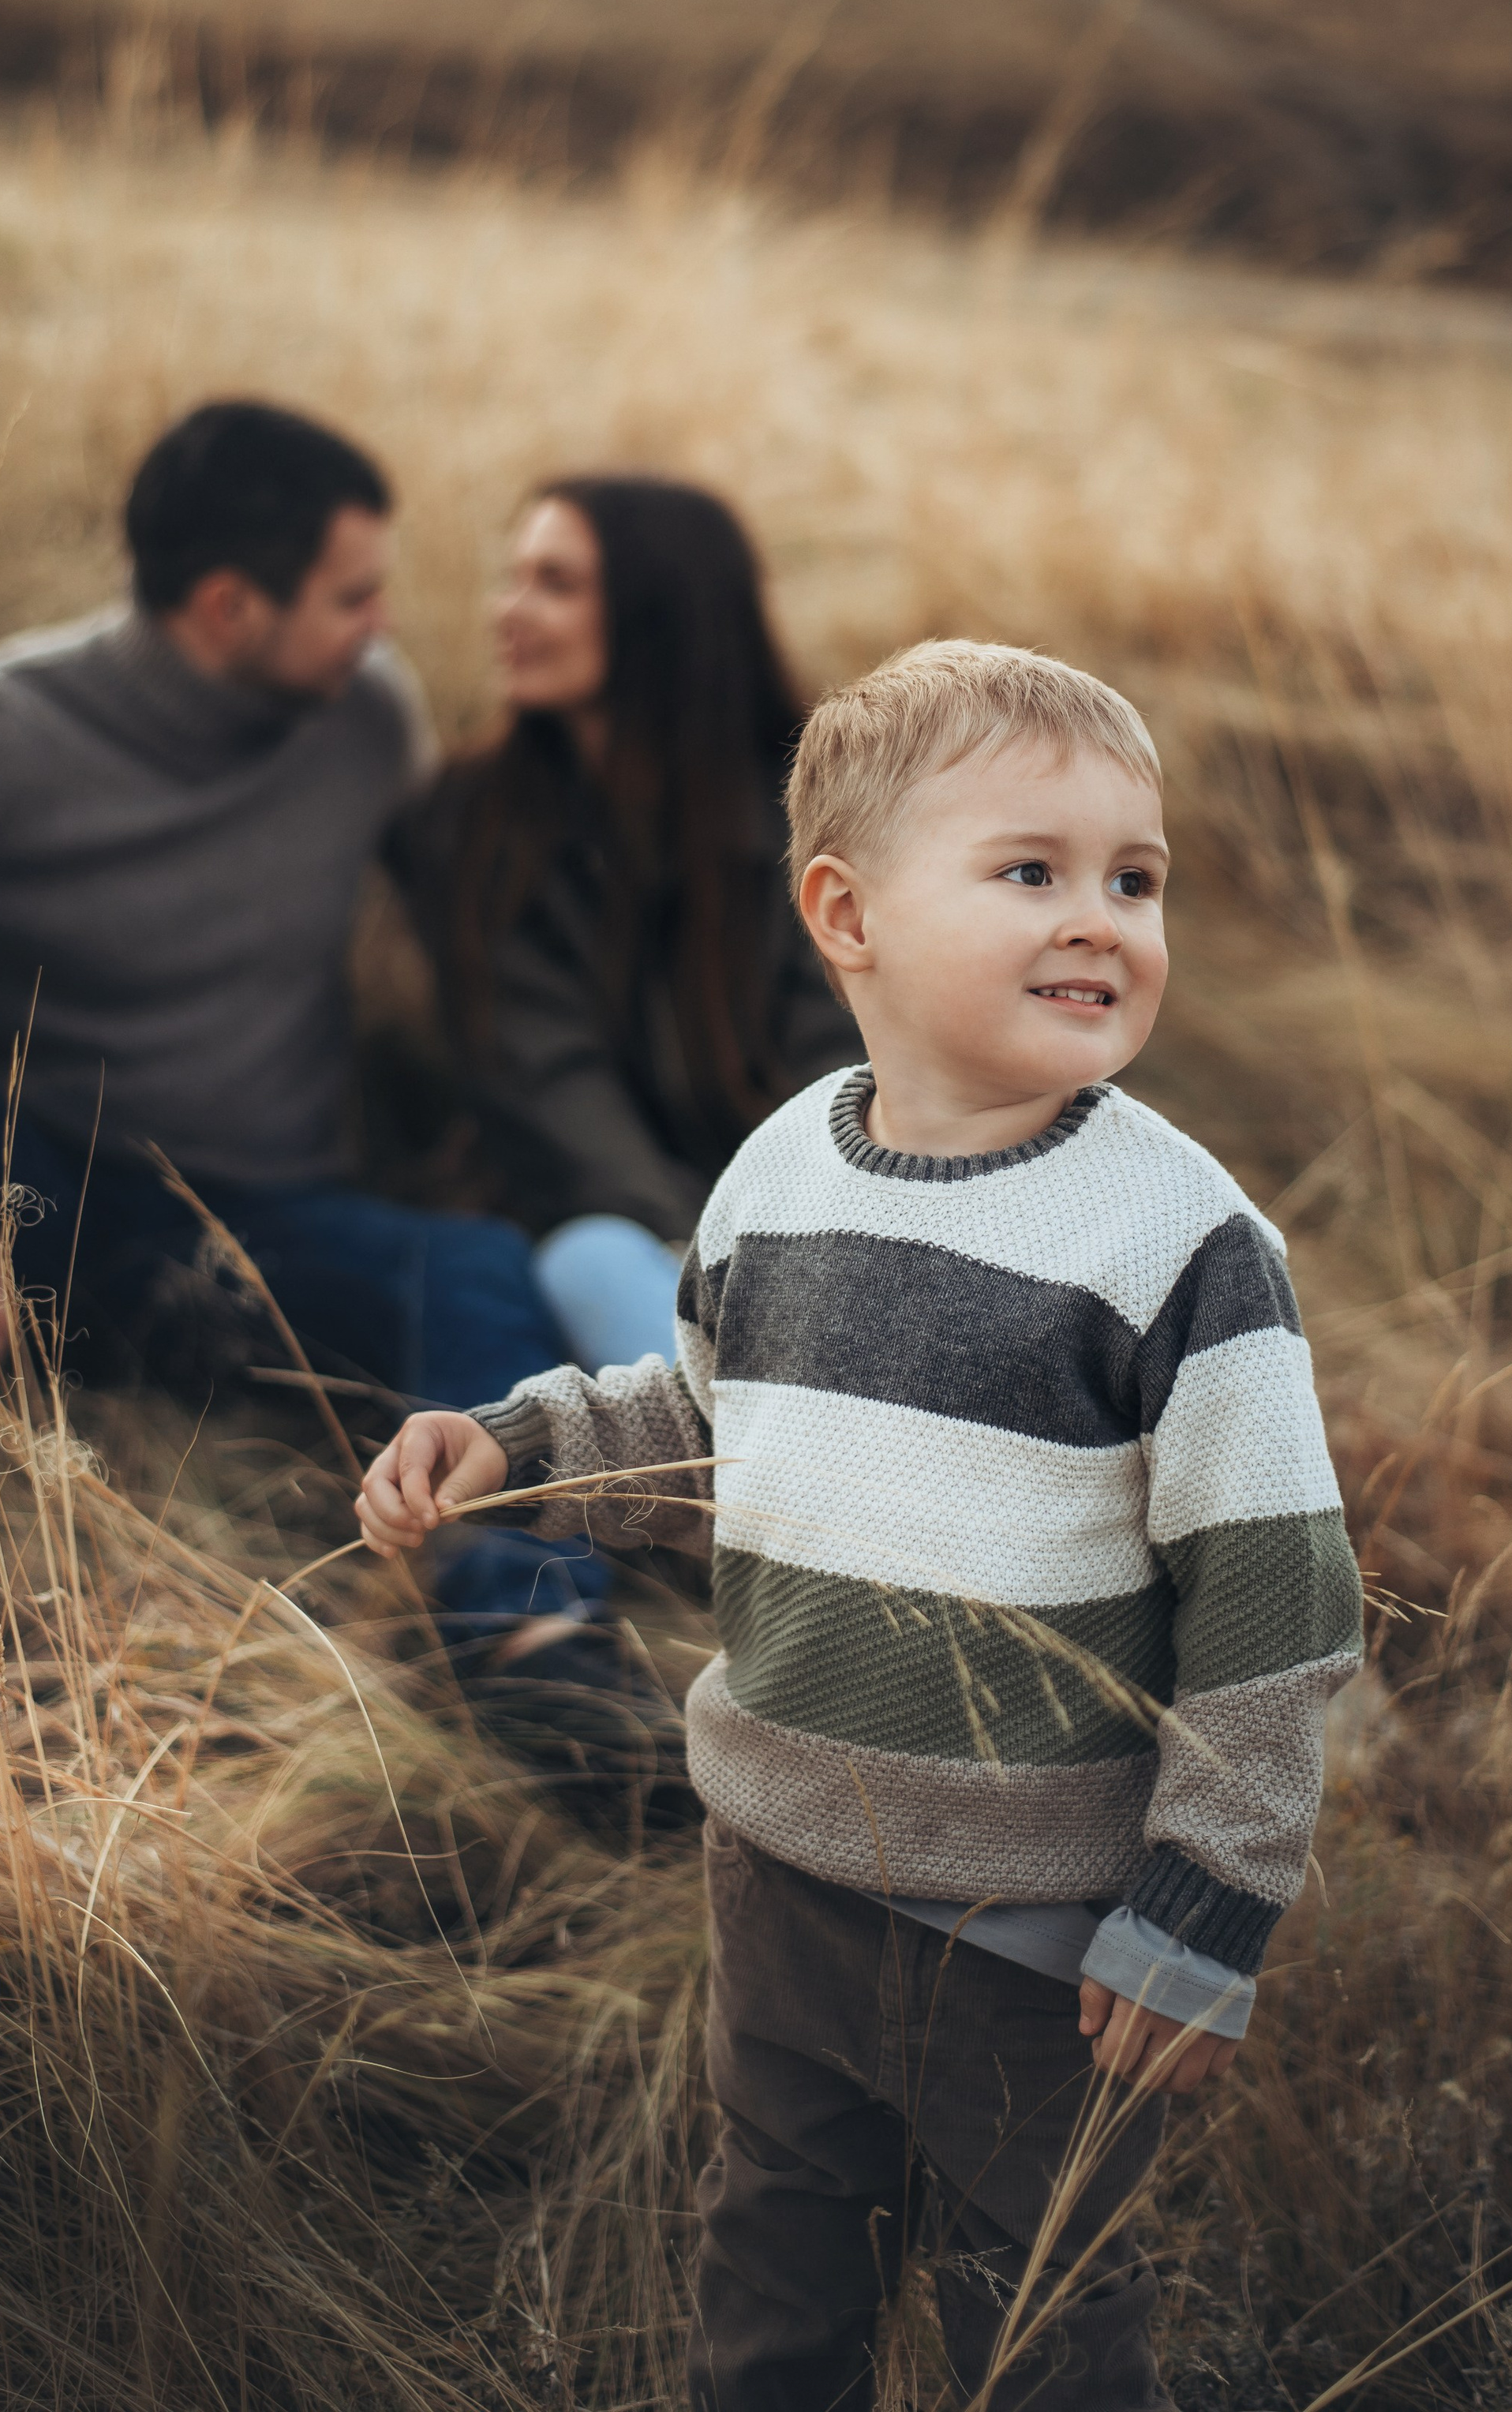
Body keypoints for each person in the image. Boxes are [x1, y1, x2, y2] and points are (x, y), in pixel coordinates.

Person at [358, 638, 1366, 2412]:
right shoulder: (779, 1170)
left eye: (1134, 879)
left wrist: (1200, 1906)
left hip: (1031, 1929)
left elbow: (1271, 1604)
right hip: (780, 1874)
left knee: (1035, 2318)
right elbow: (711, 1425)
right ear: (847, 913)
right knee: (773, 2272)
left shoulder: (1178, 1244)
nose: (1100, 920)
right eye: (1028, 871)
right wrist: (515, 1448)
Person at [0, 400, 566, 1701]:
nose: (384, 628)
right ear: (226, 608)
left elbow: (472, 918)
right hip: (17, 1219)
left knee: (480, 1271)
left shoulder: (368, 719)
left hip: (256, 1244)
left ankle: (536, 1637)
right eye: (351, 597)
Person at [383, 477, 860, 1689]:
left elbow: (842, 1074)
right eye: (512, 575)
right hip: (613, 1229)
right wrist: (717, 1275)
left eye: (555, 582)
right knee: (590, 1252)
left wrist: (791, 1265)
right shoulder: (475, 820)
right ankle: (821, 1556)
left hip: (809, 1234)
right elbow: (549, 1089)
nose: (508, 611)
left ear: (660, 614)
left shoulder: (822, 814)